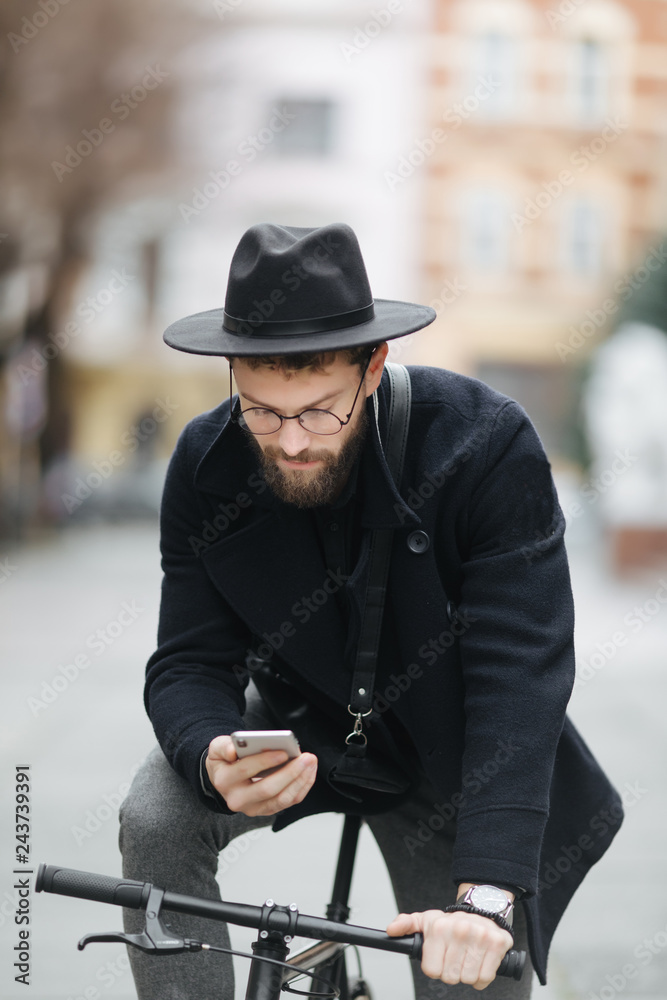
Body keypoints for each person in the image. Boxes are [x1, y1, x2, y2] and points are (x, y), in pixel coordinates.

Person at [119, 222, 622, 999]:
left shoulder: (484, 443)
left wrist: (486, 894)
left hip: (458, 752)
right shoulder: (206, 460)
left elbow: (521, 677)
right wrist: (205, 748)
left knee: (467, 969)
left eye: (319, 411)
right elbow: (189, 656)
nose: (288, 442)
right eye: (259, 410)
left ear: (373, 364)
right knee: (155, 816)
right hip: (301, 719)